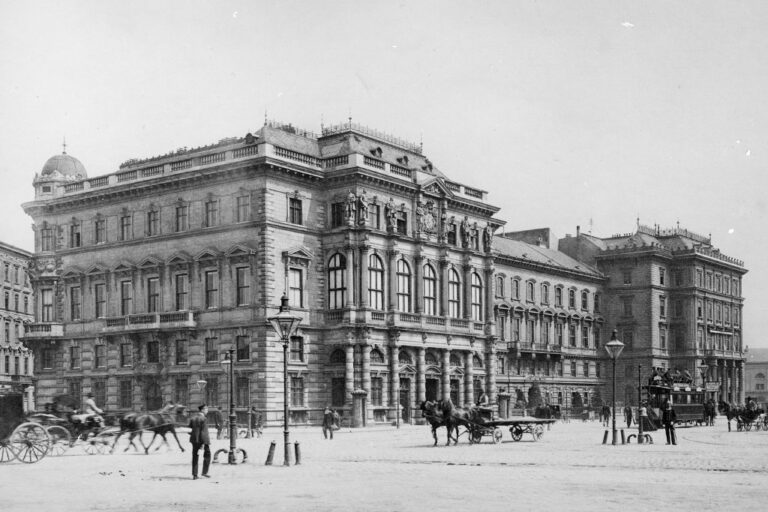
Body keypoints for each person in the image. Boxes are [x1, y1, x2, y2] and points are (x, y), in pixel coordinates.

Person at [188, 404, 211, 479]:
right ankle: (204, 472)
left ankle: (195, 475)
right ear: (202, 410)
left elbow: (190, 428)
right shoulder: (204, 419)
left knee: (195, 456)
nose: (207, 411)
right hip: (203, 440)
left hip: (194, 440)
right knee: (207, 455)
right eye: (206, 409)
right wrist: (204, 443)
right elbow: (204, 432)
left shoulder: (193, 418)